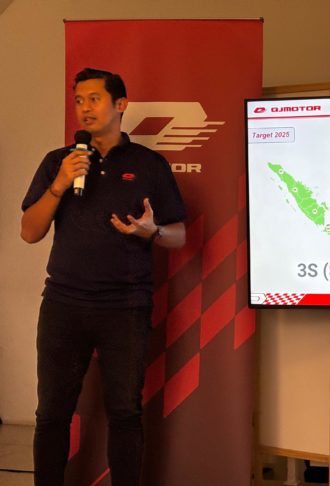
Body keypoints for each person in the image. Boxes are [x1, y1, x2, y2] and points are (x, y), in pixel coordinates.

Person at [20, 67, 187, 486]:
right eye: (79, 100)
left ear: (120, 104)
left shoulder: (149, 164)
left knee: (125, 412)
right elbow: (29, 232)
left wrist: (151, 232)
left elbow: (179, 235)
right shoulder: (59, 162)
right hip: (63, 304)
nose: (84, 108)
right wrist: (60, 183)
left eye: (94, 99)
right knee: (51, 413)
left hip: (125, 307)